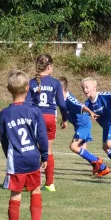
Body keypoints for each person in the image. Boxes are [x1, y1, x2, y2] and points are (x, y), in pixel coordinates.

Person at [0, 70, 49, 220]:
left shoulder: (4, 114)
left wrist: (9, 157)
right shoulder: (34, 111)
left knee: (16, 195)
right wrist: (44, 155)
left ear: (8, 89)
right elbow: (41, 136)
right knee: (35, 190)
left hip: (17, 160)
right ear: (28, 88)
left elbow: (4, 140)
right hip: (32, 157)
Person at [25, 54, 68, 192]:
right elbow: (62, 103)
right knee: (48, 151)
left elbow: (26, 104)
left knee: (32, 150)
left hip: (36, 119)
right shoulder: (55, 83)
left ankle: (31, 183)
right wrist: (65, 118)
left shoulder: (32, 82)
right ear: (49, 67)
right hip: (50, 118)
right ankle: (50, 184)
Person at [58, 76, 109, 178]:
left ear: (61, 89)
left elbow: (81, 106)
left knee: (73, 146)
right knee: (81, 150)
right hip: (79, 126)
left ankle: (98, 161)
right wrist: (64, 120)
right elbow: (63, 110)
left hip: (83, 125)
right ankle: (103, 168)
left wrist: (90, 112)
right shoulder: (60, 99)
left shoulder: (69, 99)